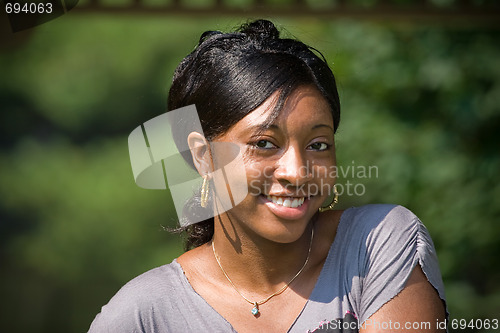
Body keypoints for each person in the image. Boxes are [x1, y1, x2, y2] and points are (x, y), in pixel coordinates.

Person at [88, 19, 447, 332]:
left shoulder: (377, 245)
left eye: (318, 144)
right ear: (203, 156)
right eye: (264, 143)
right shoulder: (143, 315)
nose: (297, 172)